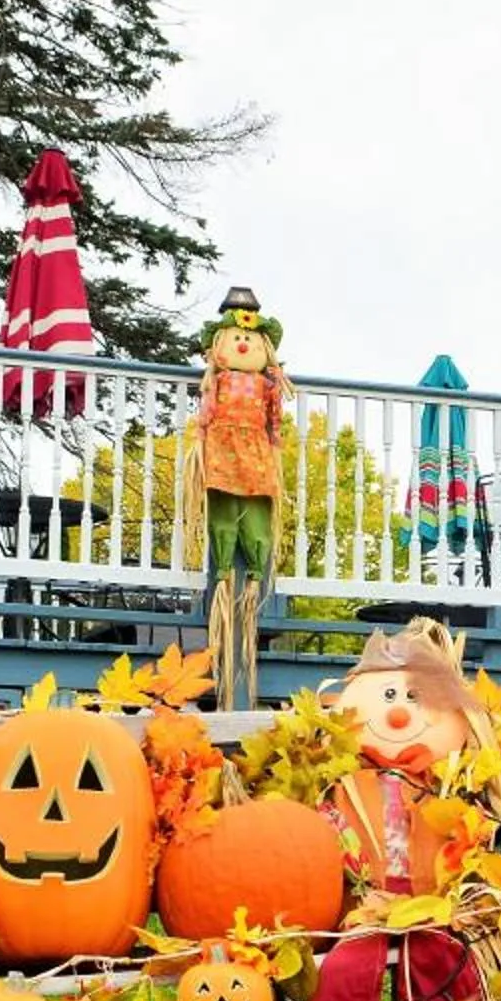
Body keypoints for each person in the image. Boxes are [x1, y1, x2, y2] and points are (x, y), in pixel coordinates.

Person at [294, 621, 501, 1001]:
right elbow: (321, 836)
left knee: (443, 949)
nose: (398, 712)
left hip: (432, 904)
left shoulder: (447, 787)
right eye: (389, 695)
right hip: (365, 904)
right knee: (350, 959)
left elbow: (469, 831)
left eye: (414, 697)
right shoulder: (347, 785)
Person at [179, 287, 289, 704]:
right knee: (223, 511)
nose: (243, 342)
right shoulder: (218, 381)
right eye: (235, 338)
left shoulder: (266, 385)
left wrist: (275, 445)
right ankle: (225, 574)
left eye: (250, 339)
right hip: (223, 450)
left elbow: (275, 421)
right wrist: (200, 445)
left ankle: (252, 583)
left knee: (255, 514)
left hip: (256, 454)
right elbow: (205, 417)